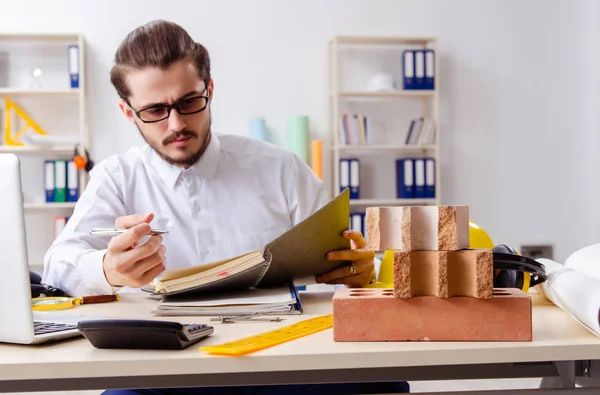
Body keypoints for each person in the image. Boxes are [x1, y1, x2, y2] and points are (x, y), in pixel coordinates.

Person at [42, 20, 409, 395]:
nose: (177, 124)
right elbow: (58, 264)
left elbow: (353, 258)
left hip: (281, 359)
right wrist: (107, 268)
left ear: (209, 90)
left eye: (189, 102)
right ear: (127, 112)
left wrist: (362, 269)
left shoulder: (280, 168)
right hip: (164, 369)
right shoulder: (116, 177)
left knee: (384, 383)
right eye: (154, 110)